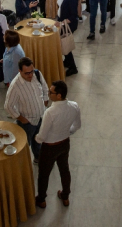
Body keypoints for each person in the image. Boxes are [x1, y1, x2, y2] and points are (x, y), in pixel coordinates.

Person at [35, 80, 81, 209]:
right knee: (64, 170)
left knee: (44, 174)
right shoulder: (74, 106)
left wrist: (36, 139)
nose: (49, 93)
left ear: (59, 95)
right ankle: (65, 196)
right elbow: (77, 125)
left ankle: (41, 199)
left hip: (49, 147)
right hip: (65, 143)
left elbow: (42, 135)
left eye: (51, 92)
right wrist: (67, 132)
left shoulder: (50, 112)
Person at [4, 57, 49, 164]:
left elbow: (45, 88)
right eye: (27, 73)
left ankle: (38, 157)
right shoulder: (15, 86)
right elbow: (8, 106)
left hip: (41, 117)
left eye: (31, 71)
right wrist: (21, 119)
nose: (30, 75)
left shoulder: (37, 74)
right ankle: (23, 164)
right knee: (24, 144)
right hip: (27, 122)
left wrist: (45, 101)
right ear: (20, 71)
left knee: (38, 140)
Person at [57, 0, 80, 76]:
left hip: (67, 25)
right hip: (62, 22)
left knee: (65, 44)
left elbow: (73, 16)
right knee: (63, 43)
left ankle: (73, 67)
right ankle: (67, 61)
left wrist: (61, 23)